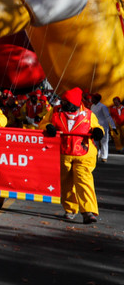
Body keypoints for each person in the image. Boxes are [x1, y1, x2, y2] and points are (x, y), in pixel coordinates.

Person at [42, 88, 102, 224]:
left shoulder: (87, 114)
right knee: (66, 183)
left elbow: (96, 126)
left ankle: (88, 211)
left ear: (73, 103)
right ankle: (70, 209)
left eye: (65, 101)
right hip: (63, 153)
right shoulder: (55, 111)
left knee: (84, 180)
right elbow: (44, 123)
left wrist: (98, 131)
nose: (62, 103)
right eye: (62, 101)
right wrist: (48, 127)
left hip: (84, 153)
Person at [85, 93, 113, 163]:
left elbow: (108, 116)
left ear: (96, 99)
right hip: (95, 125)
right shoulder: (92, 106)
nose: (91, 99)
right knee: (95, 141)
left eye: (93, 98)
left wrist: (113, 126)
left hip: (103, 126)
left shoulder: (103, 107)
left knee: (104, 141)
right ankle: (96, 154)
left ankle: (104, 156)